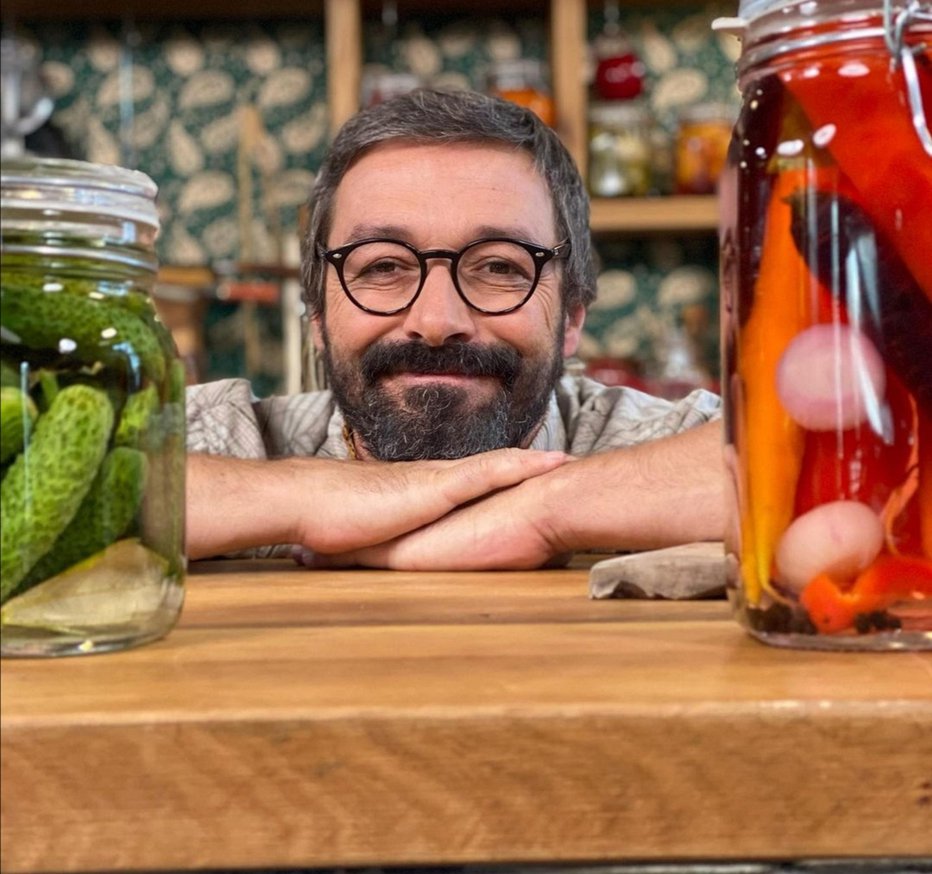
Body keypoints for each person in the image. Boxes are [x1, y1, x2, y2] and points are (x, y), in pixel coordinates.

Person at [186, 88, 724, 569]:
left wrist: (540, 512)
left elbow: (797, 458)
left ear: (572, 317)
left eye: (499, 267)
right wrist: (307, 497)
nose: (437, 322)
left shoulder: (655, 444)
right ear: (318, 318)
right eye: (383, 267)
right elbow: (101, 468)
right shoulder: (237, 443)